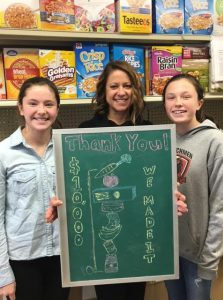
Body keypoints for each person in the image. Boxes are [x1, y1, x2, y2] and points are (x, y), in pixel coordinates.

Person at [46, 61, 187, 300]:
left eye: (127, 85)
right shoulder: (85, 131)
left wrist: (170, 194)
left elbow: (155, 182)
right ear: (104, 92)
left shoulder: (148, 130)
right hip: (101, 233)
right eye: (114, 86)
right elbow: (76, 182)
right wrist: (63, 202)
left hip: (138, 236)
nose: (121, 92)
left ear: (134, 91)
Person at [0, 77, 70, 300]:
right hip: (22, 260)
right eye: (33, 103)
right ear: (21, 107)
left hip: (63, 256)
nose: (41, 111)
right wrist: (4, 275)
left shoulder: (68, 149)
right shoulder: (4, 153)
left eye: (49, 104)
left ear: (57, 108)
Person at [162, 73, 223, 300]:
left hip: (198, 254)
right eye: (171, 97)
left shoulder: (216, 142)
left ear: (199, 102)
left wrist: (210, 258)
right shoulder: (161, 140)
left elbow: (221, 207)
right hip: (169, 249)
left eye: (185, 96)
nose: (178, 103)